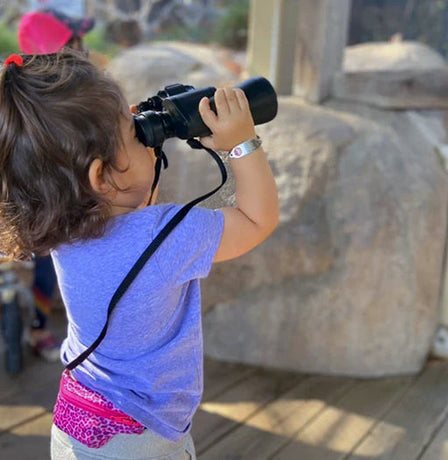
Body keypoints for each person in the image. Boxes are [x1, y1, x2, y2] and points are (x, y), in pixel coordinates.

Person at [0, 51, 278, 459]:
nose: (148, 137)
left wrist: (125, 150)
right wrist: (241, 144)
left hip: (77, 421)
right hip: (141, 437)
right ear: (101, 176)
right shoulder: (167, 235)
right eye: (136, 132)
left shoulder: (60, 226)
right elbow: (258, 220)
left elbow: (119, 211)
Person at [17, 7, 95, 361]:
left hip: (60, 196)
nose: (84, 48)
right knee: (47, 264)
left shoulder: (69, 88)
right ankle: (36, 329)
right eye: (77, 41)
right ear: (57, 49)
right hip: (36, 199)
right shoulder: (35, 95)